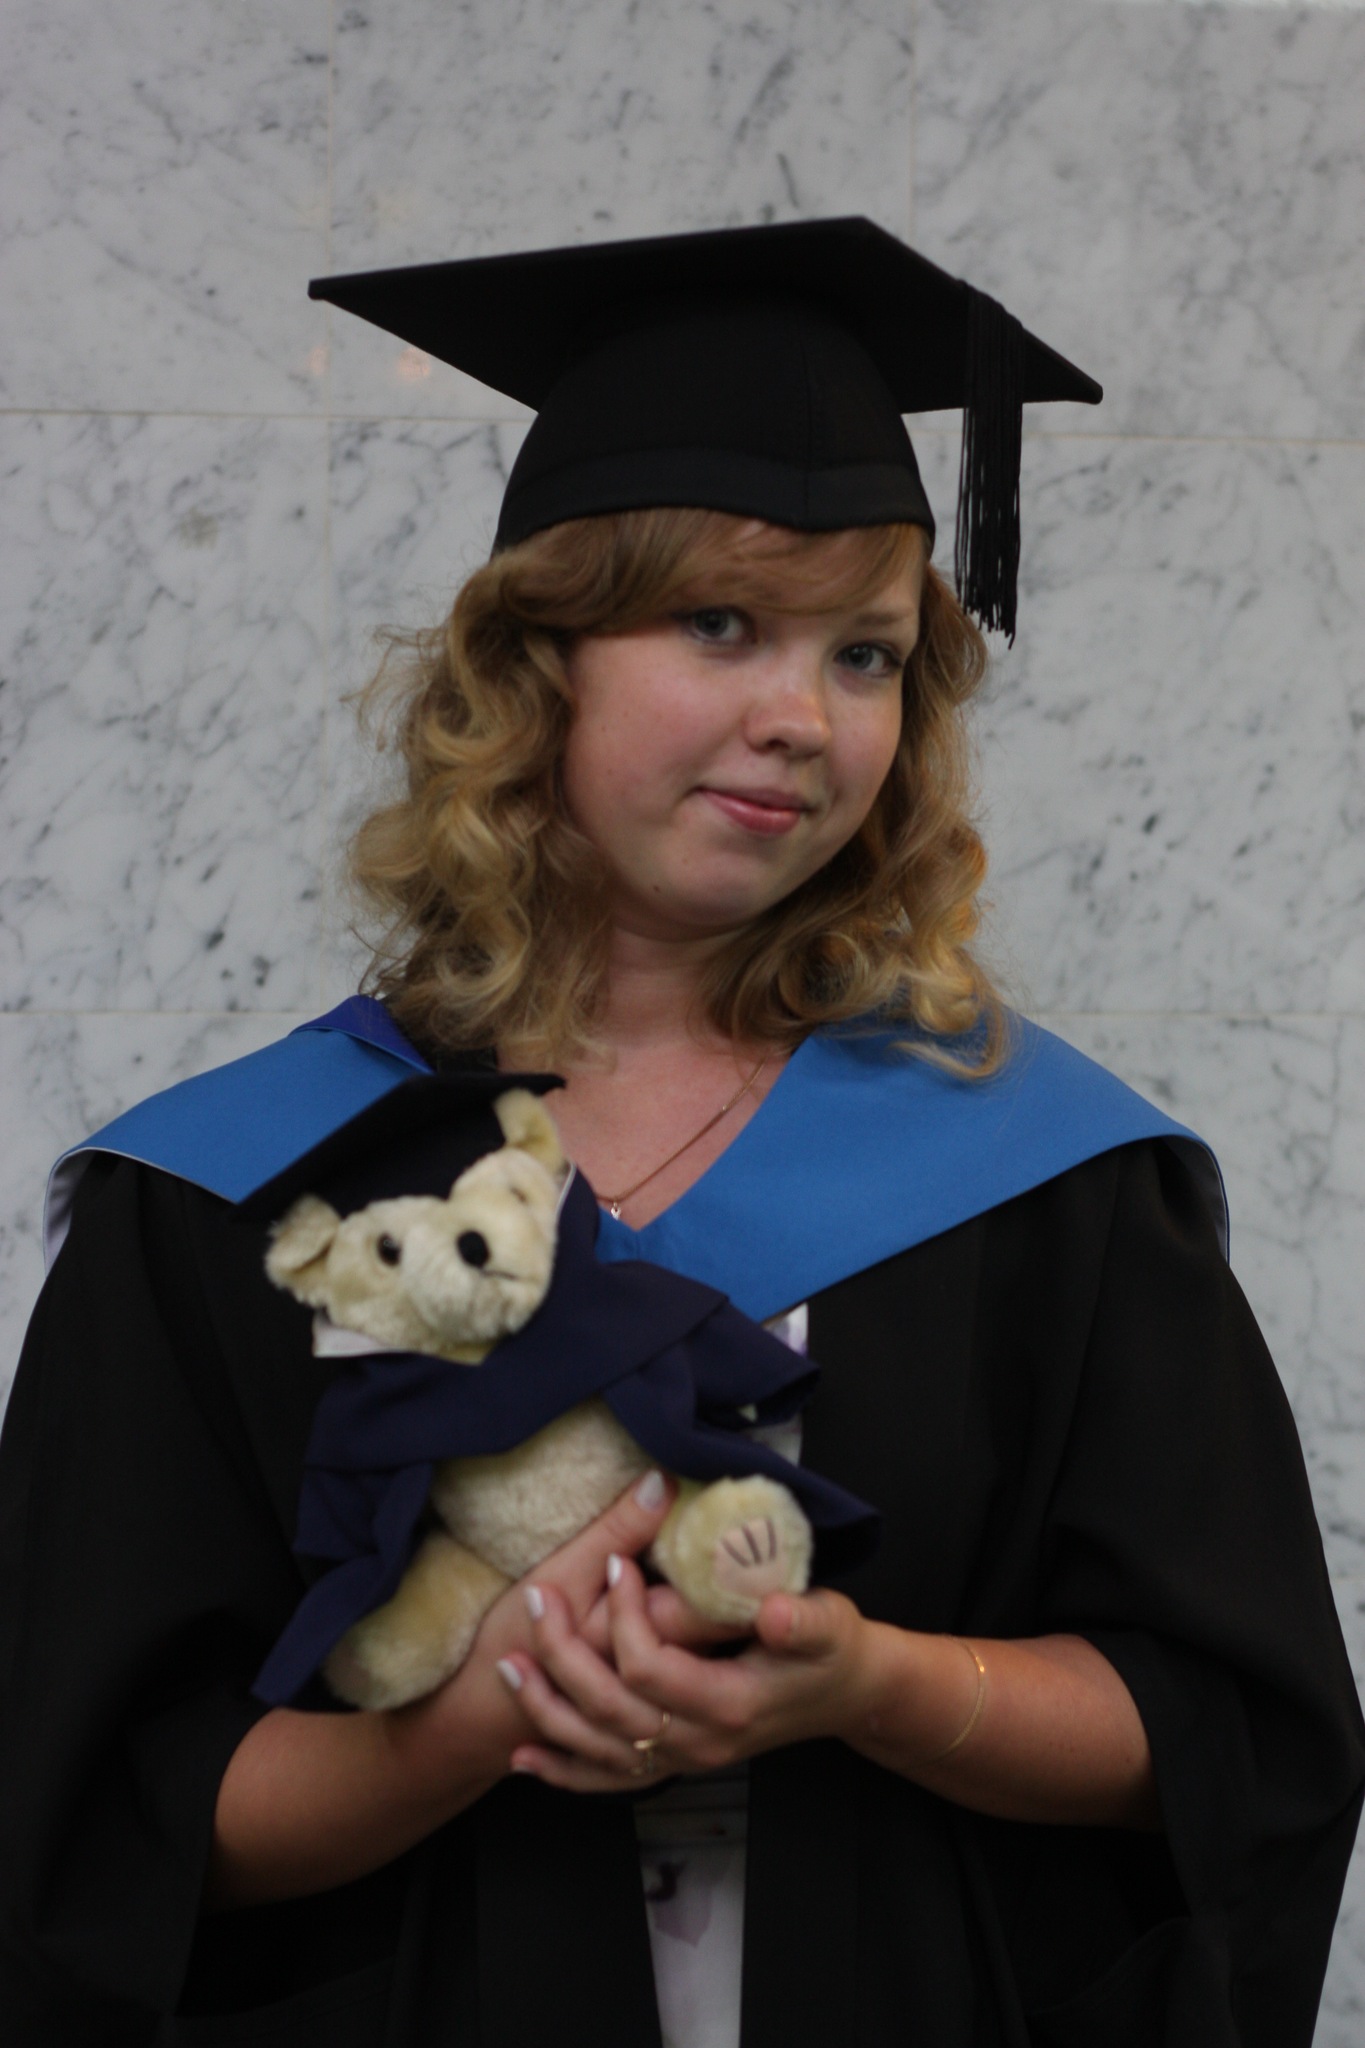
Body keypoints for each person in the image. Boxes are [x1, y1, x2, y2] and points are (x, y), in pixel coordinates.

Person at [0, 219, 1360, 2048]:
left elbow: (1227, 1740)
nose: (800, 718)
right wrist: (463, 1727)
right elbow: (98, 1820)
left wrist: (870, 1684)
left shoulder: (1047, 1182)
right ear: (532, 664)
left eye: (866, 655)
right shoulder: (240, 1196)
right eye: (717, 623)